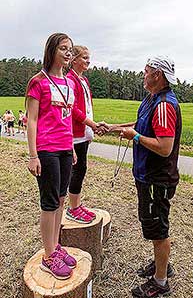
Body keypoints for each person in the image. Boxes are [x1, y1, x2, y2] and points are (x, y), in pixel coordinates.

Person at [109, 56, 182, 297]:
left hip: (155, 178)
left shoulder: (164, 106)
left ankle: (160, 281)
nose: (143, 75)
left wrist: (135, 137)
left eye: (146, 71)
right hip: (148, 175)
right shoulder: (151, 99)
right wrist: (116, 128)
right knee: (154, 226)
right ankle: (161, 265)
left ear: (157, 75)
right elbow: (140, 123)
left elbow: (164, 147)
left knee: (158, 229)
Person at [26, 33, 78, 280]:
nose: (69, 53)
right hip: (46, 150)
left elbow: (67, 120)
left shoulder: (68, 82)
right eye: (63, 48)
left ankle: (55, 246)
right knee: (49, 202)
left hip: (65, 149)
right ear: (51, 50)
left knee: (60, 199)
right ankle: (48, 257)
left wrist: (72, 148)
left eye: (70, 49)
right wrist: (33, 155)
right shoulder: (38, 81)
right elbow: (32, 121)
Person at [66, 45, 108, 223]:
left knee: (81, 169)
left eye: (88, 58)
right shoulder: (70, 80)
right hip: (74, 134)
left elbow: (87, 107)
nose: (88, 61)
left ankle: (76, 204)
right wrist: (92, 124)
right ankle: (73, 208)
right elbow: (73, 109)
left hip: (83, 132)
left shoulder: (83, 80)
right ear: (74, 60)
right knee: (77, 169)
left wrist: (91, 128)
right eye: (84, 58)